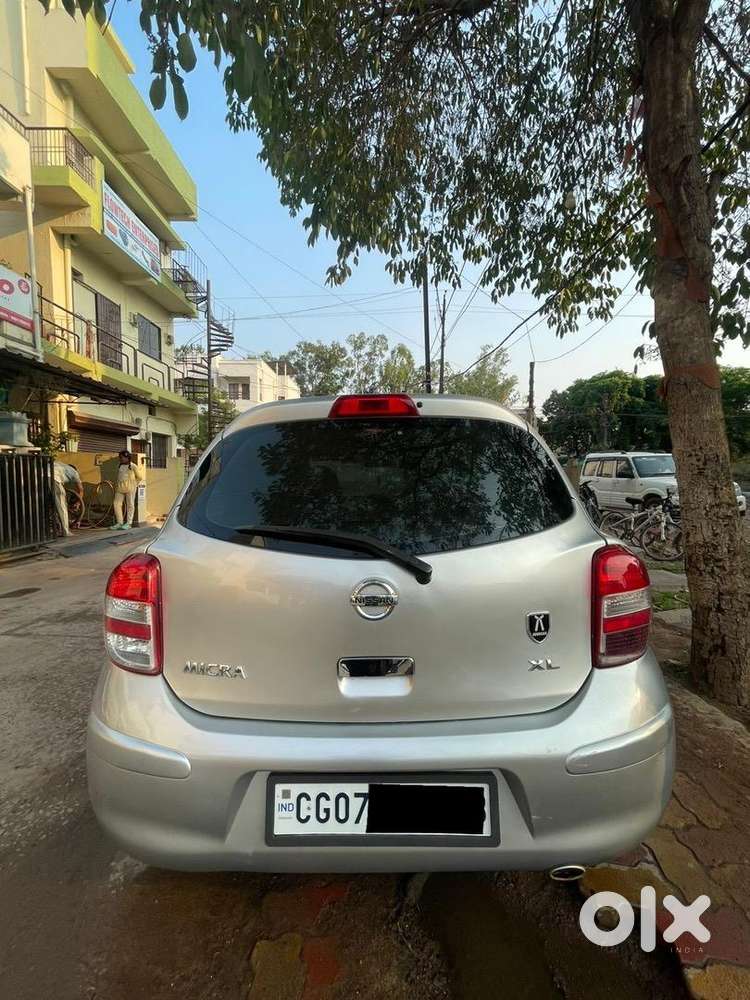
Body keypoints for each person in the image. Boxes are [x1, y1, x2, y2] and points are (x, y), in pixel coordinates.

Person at [111, 450, 144, 531]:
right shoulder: (120, 466)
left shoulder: (133, 466)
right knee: (116, 504)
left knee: (130, 505)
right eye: (120, 457)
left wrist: (134, 484)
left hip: (130, 489)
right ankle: (120, 522)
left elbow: (139, 477)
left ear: (127, 457)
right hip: (120, 488)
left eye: (122, 457)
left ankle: (129, 523)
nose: (121, 459)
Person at [53, 460, 83, 537]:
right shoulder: (74, 472)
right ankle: (65, 531)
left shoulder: (61, 465)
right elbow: (81, 489)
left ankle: (55, 528)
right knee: (62, 506)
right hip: (54, 479)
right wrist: (78, 503)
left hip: (39, 476)